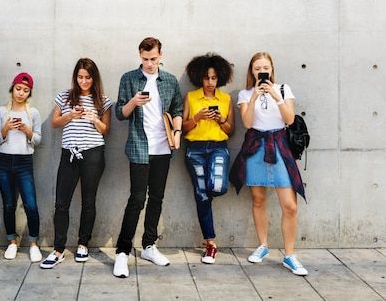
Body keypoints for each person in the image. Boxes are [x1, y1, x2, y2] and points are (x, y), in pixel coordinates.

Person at [229, 52, 308, 276]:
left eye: (265, 67)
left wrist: (276, 96)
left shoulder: (283, 89)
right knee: (258, 199)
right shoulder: (245, 94)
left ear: (271, 69)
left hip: (280, 144)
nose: (261, 71)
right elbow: (246, 122)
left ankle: (289, 255)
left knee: (290, 205)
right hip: (256, 145)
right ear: (251, 71)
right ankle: (263, 245)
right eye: (257, 68)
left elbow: (290, 119)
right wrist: (254, 97)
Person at [112, 37, 183, 278]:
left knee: (157, 198)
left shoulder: (170, 80)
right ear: (139, 56)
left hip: (164, 148)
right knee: (137, 199)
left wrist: (178, 132)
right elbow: (119, 114)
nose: (150, 64)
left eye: (153, 59)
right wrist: (133, 101)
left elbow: (177, 110)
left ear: (161, 55)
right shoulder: (129, 78)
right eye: (145, 59)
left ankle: (149, 246)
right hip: (139, 148)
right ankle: (122, 252)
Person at [40, 58, 112, 269]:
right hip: (69, 154)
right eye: (80, 77)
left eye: (88, 77)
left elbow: (106, 130)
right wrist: (70, 115)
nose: (84, 81)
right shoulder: (65, 96)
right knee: (61, 203)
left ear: (94, 77)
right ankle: (58, 249)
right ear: (75, 77)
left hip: (93, 154)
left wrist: (94, 119)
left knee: (88, 201)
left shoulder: (102, 100)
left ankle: (83, 244)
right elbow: (54, 123)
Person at [182, 53, 235, 264]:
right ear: (199, 78)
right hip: (194, 150)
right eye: (206, 78)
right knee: (201, 195)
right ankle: (210, 243)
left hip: (218, 148)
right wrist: (197, 117)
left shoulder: (226, 99)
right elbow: (184, 127)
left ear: (220, 77)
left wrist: (221, 119)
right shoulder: (191, 97)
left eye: (214, 78)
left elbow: (231, 130)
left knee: (217, 188)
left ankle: (208, 193)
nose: (210, 82)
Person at [0, 72, 43, 263]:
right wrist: (5, 129)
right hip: (4, 161)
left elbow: (38, 140)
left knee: (31, 204)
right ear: (12, 89)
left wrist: (27, 130)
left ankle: (33, 244)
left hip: (24, 162)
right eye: (18, 89)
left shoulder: (33, 113)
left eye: (25, 90)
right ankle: (11, 242)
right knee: (8, 204)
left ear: (29, 93)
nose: (20, 93)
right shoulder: (1, 112)